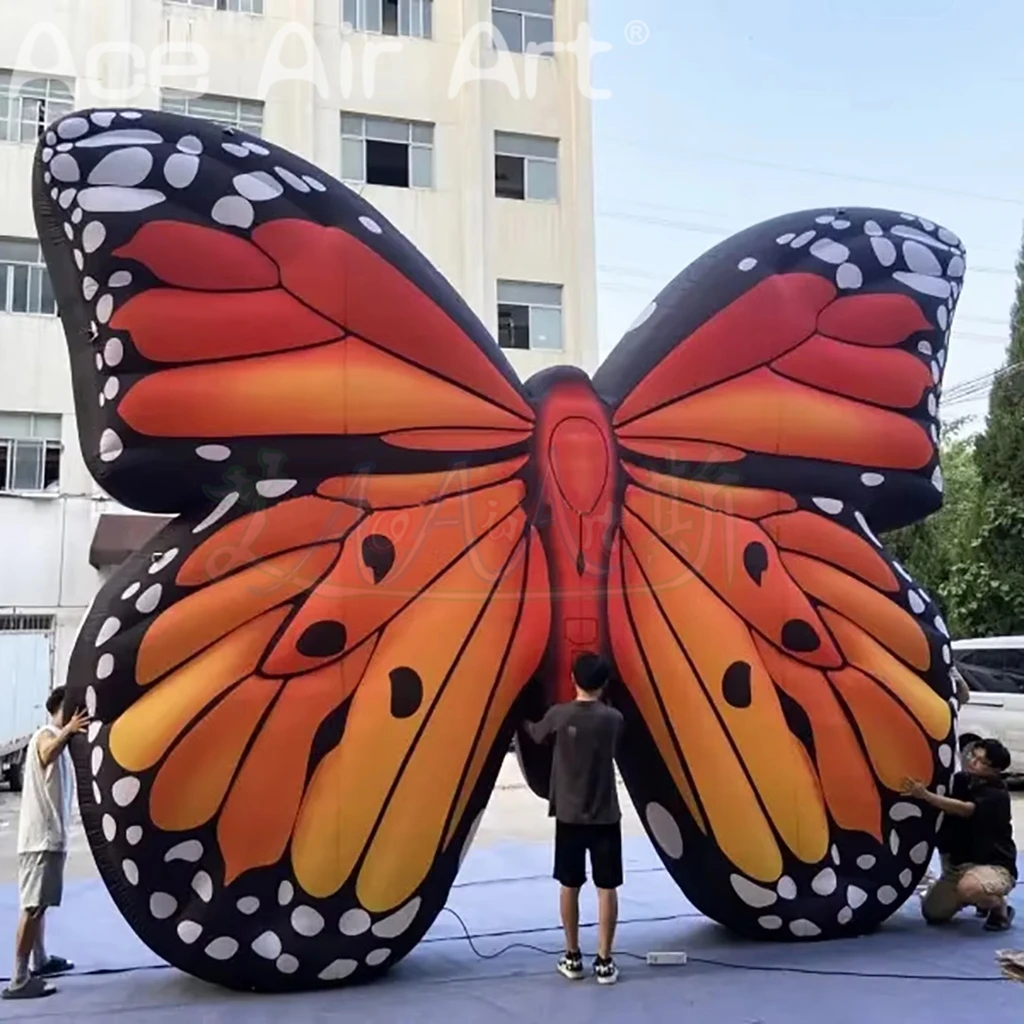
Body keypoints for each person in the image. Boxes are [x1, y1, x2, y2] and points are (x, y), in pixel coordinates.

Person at [525, 652, 624, 985]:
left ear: (572, 679)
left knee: (569, 885)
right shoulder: (614, 719)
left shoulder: (559, 715)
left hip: (568, 816)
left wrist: (520, 713)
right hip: (605, 815)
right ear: (605, 683)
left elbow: (535, 733)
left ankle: (572, 956)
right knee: (607, 888)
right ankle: (605, 961)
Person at [2, 687, 90, 1000]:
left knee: (39, 904)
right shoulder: (46, 734)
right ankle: (19, 978)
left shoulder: (61, 741)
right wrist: (68, 729)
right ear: (62, 708)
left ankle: (39, 960)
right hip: (40, 838)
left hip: (50, 837)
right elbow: (45, 752)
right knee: (33, 906)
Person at [903, 737, 1017, 932]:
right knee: (933, 912)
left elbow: (965, 809)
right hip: (956, 867)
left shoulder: (997, 794)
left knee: (970, 888)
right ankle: (978, 898)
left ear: (996, 770)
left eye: (982, 762)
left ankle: (999, 907)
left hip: (992, 864)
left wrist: (926, 796)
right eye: (973, 756)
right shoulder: (961, 780)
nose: (973, 762)